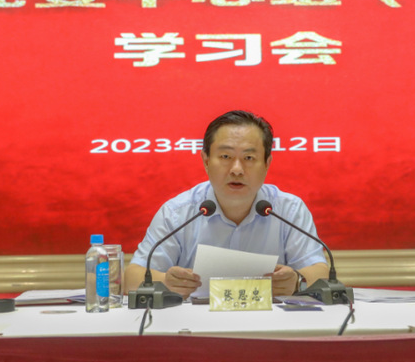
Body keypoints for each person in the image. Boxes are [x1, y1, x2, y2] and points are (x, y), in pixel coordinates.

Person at [125, 110, 330, 299]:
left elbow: (321, 273)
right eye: (225, 156)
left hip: (269, 320)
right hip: (196, 323)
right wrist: (166, 282)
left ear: (267, 163)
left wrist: (297, 281)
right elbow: (132, 278)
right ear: (206, 161)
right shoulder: (177, 212)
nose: (237, 169)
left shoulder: (289, 210)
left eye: (249, 157)